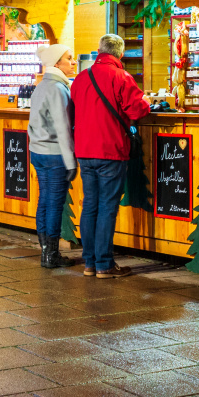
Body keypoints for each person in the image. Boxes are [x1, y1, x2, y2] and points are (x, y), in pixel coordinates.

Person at [70, 33, 150, 279]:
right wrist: (146, 101)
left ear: (99, 50)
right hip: (111, 150)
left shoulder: (81, 78)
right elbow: (137, 108)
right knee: (107, 207)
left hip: (84, 150)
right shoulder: (121, 77)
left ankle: (89, 263)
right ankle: (104, 264)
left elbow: (73, 110)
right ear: (121, 53)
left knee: (90, 206)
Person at [28, 43, 78, 269]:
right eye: (69, 58)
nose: (73, 62)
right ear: (57, 63)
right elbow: (63, 128)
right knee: (55, 203)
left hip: (38, 151)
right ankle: (51, 254)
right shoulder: (58, 89)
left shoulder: (41, 86)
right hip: (55, 154)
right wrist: (71, 162)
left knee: (45, 200)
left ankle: (45, 251)